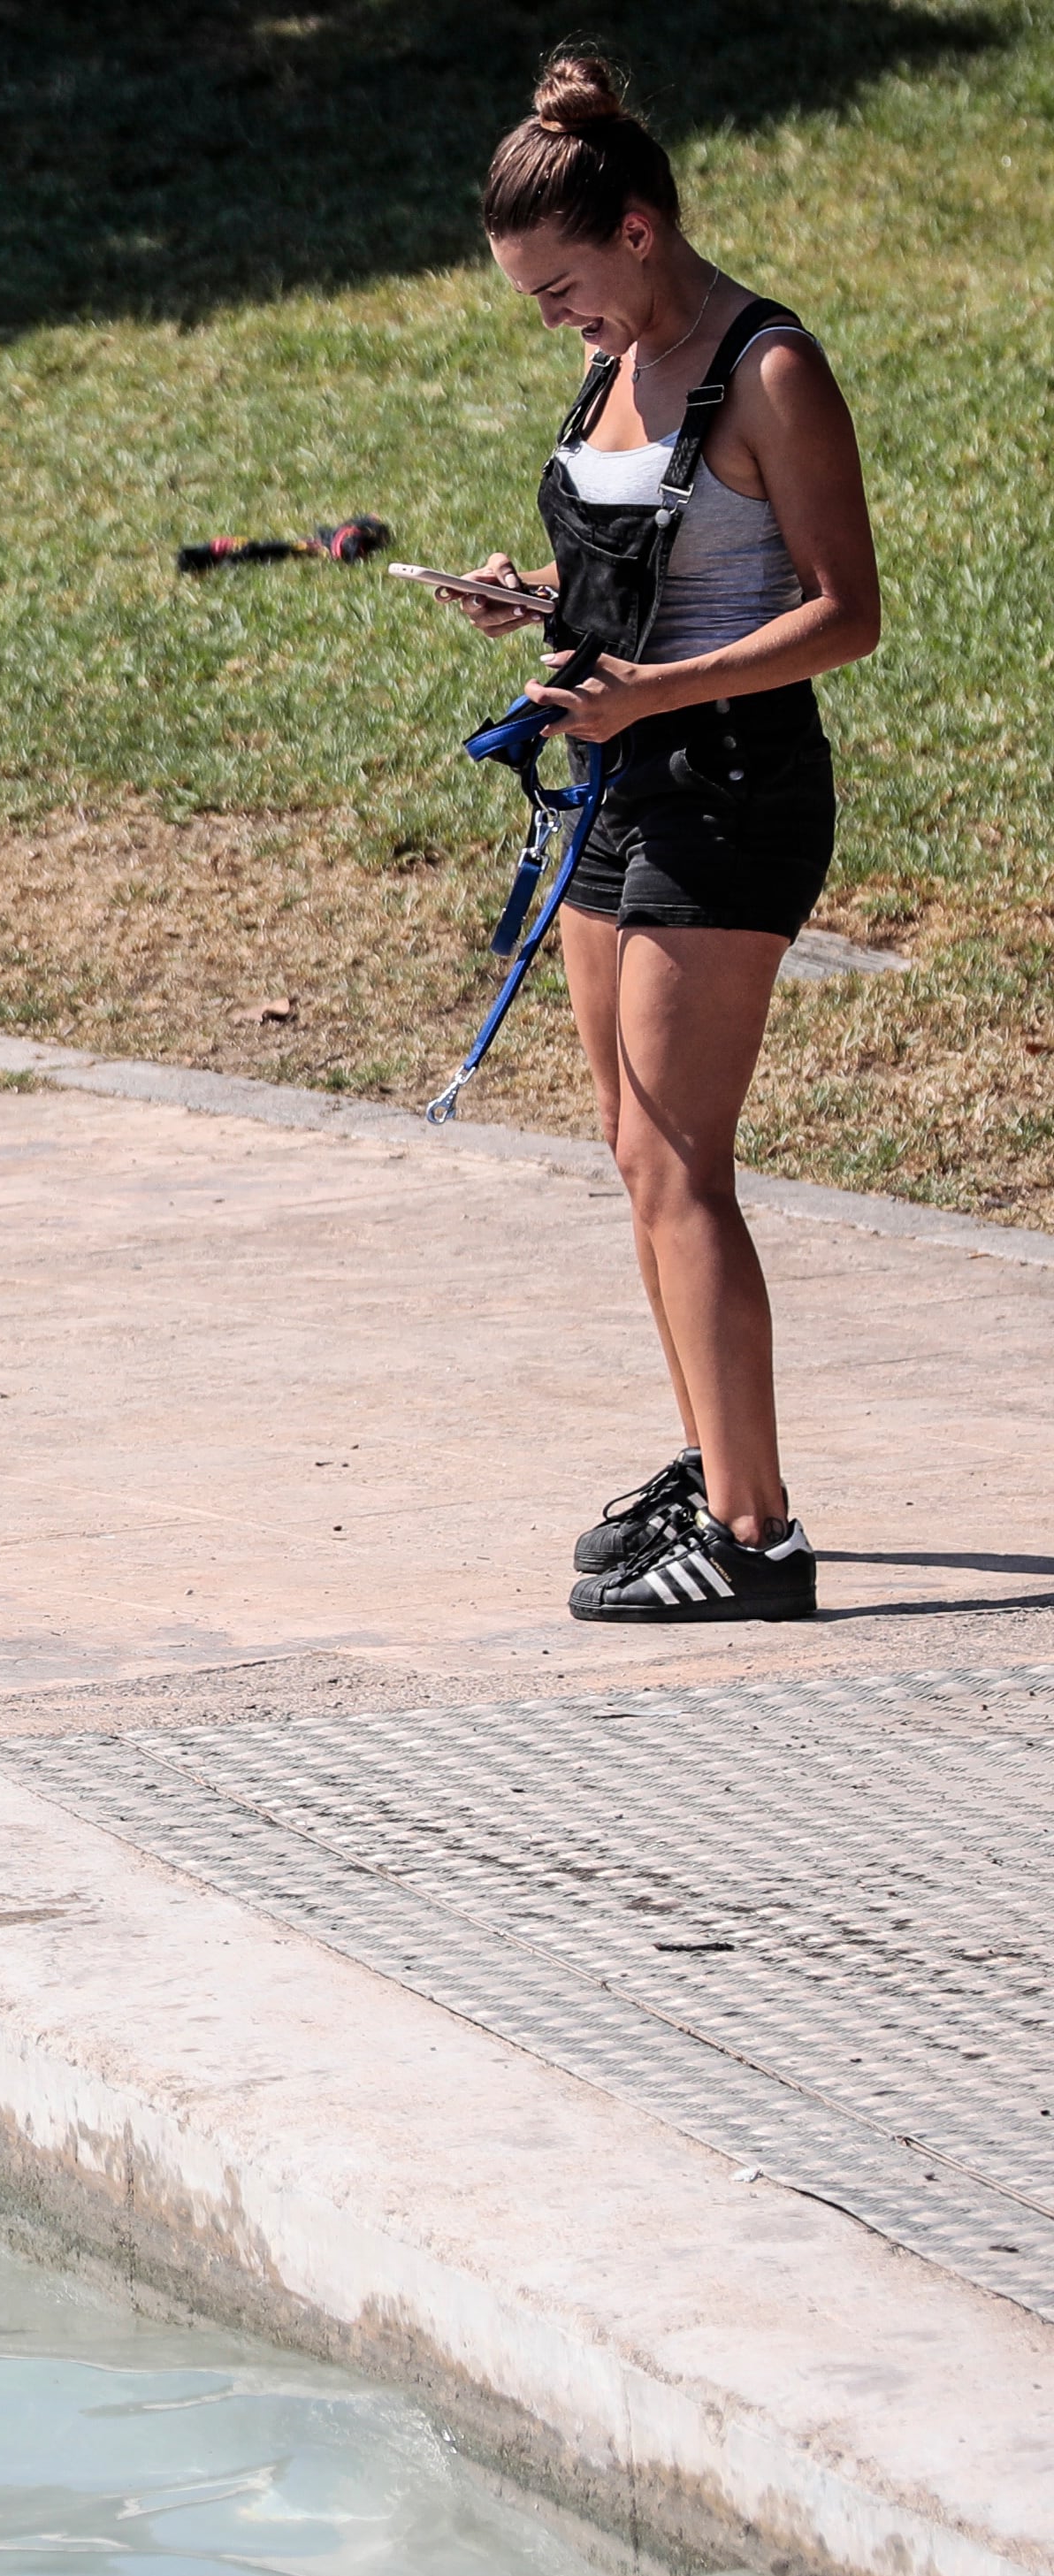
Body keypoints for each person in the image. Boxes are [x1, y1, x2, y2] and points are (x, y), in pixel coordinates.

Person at [448, 51, 880, 1623]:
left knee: (690, 1158)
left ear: (639, 230)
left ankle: (759, 1543)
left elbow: (847, 615)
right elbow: (652, 574)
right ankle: (714, 1459)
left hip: (736, 788)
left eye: (567, 286)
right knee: (635, 1151)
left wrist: (660, 693)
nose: (562, 320)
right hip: (622, 780)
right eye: (538, 303)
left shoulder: (768, 369)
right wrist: (542, 609)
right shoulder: (614, 367)